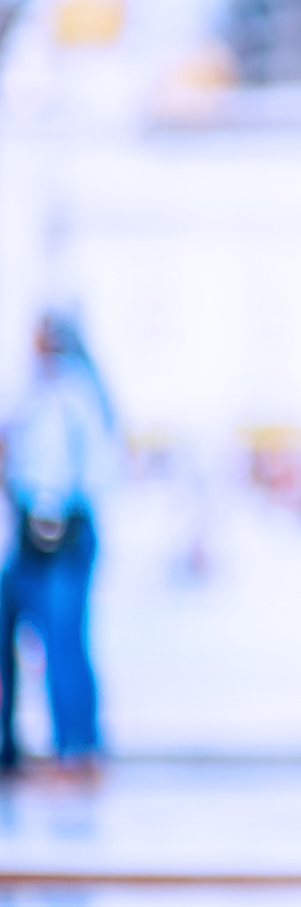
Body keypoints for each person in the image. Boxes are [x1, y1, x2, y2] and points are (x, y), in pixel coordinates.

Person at [1, 312, 114, 776]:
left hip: (60, 530)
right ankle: (60, 746)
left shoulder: (70, 395)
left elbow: (67, 471)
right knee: (48, 638)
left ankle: (78, 749)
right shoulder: (41, 391)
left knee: (64, 640)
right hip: (38, 530)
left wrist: (49, 510)